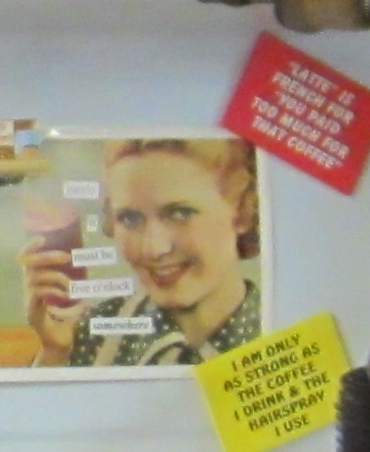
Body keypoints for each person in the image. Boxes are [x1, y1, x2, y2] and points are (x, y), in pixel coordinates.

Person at [24, 138, 263, 367]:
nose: (154, 249)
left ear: (243, 212)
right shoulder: (92, 332)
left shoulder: (273, 332)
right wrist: (55, 354)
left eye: (180, 213)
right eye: (131, 218)